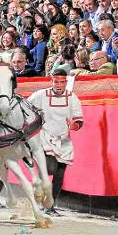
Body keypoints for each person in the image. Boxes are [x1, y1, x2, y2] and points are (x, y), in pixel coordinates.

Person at [28, 68, 84, 216]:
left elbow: (79, 120)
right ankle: (38, 189)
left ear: (66, 82)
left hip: (64, 140)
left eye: (61, 82)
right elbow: (26, 108)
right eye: (56, 81)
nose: (58, 84)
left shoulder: (73, 98)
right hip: (45, 137)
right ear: (51, 81)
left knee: (59, 175)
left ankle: (50, 206)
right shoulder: (40, 95)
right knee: (50, 168)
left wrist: (74, 125)